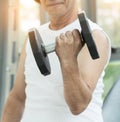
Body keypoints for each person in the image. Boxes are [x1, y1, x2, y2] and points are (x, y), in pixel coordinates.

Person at [1, 0, 111, 122]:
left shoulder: (96, 36)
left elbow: (78, 105)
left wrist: (68, 60)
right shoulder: (31, 39)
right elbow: (17, 98)